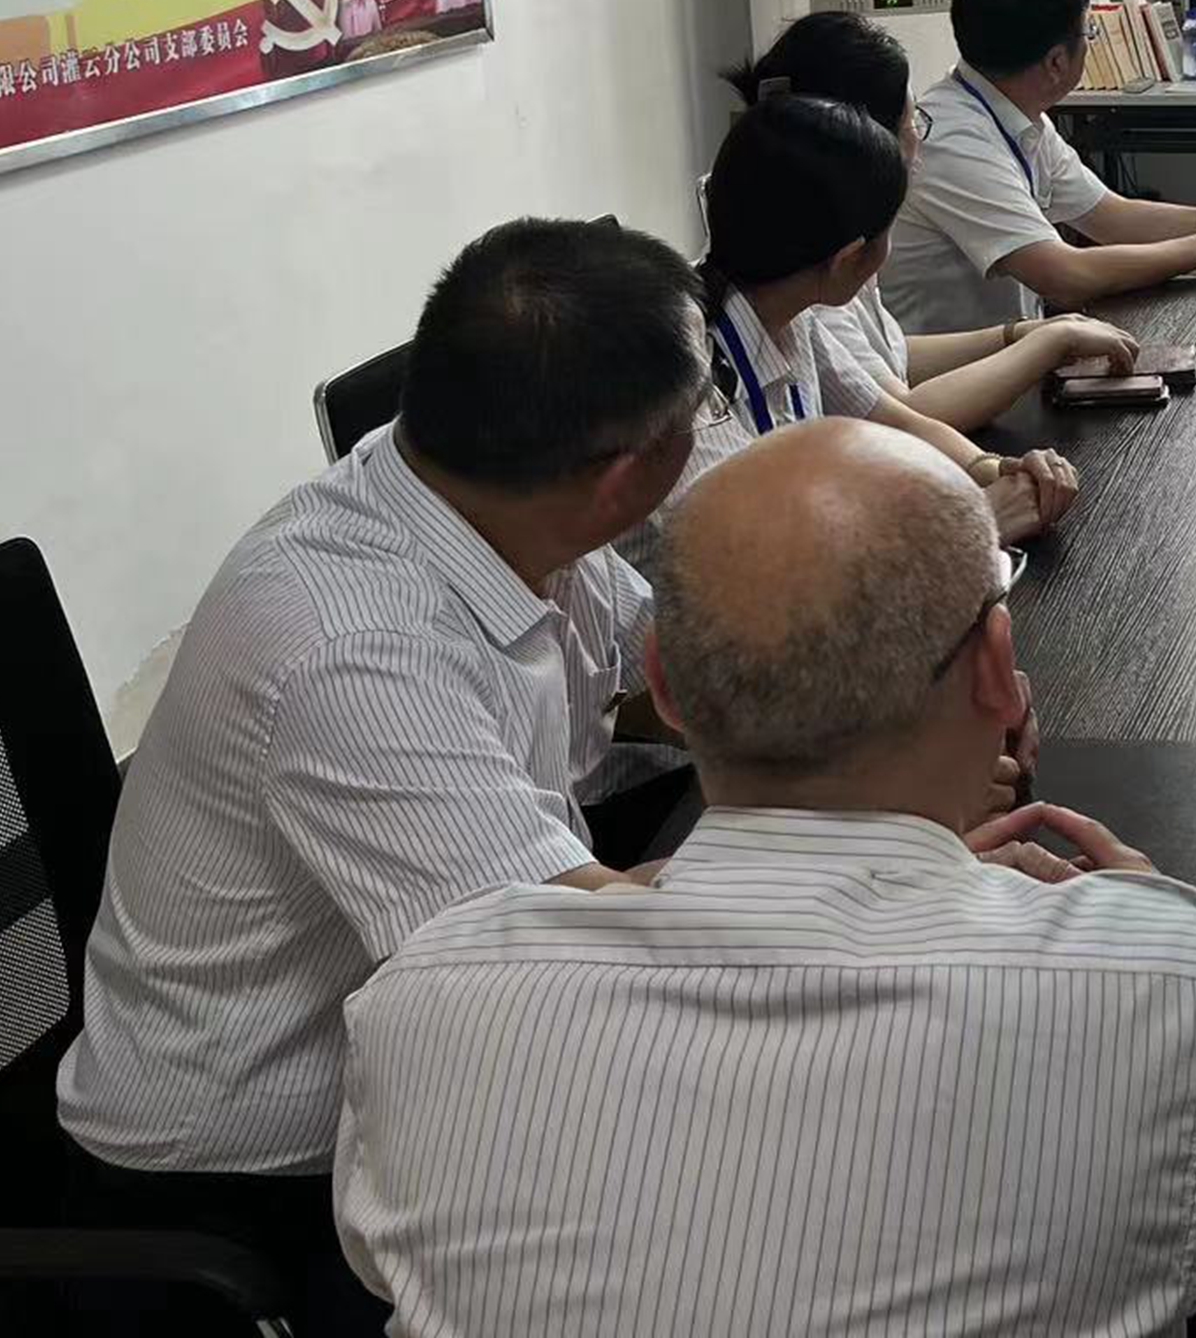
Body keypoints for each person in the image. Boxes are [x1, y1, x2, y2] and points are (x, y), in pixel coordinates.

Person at [336, 420, 1196, 1335]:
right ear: (999, 670)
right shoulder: (1167, 992)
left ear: (667, 692)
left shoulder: (426, 996)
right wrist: (1183, 933)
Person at [55, 219, 718, 1333]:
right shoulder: (353, 644)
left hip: (417, 1062)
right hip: (249, 1186)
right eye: (696, 422)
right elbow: (576, 940)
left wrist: (869, 736)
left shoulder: (488, 503)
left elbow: (666, 679)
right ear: (624, 478)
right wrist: (879, 870)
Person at [641, 91, 1077, 562]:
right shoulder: (687, 385)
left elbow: (895, 421)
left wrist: (996, 470)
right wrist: (978, 523)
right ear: (849, 258)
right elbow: (773, 574)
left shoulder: (789, 310)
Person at [722, 10, 1142, 417]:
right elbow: (903, 416)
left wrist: (1018, 335)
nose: (920, 140)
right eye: (913, 122)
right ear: (866, 141)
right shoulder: (814, 274)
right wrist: (1048, 343)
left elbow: (891, 358)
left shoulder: (829, 237)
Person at [885, 0, 1196, 332]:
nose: (1090, 42)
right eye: (1089, 31)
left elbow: (1111, 218)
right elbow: (1065, 277)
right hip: (958, 370)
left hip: (1010, 352)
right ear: (1056, 62)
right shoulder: (952, 140)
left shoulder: (1012, 111)